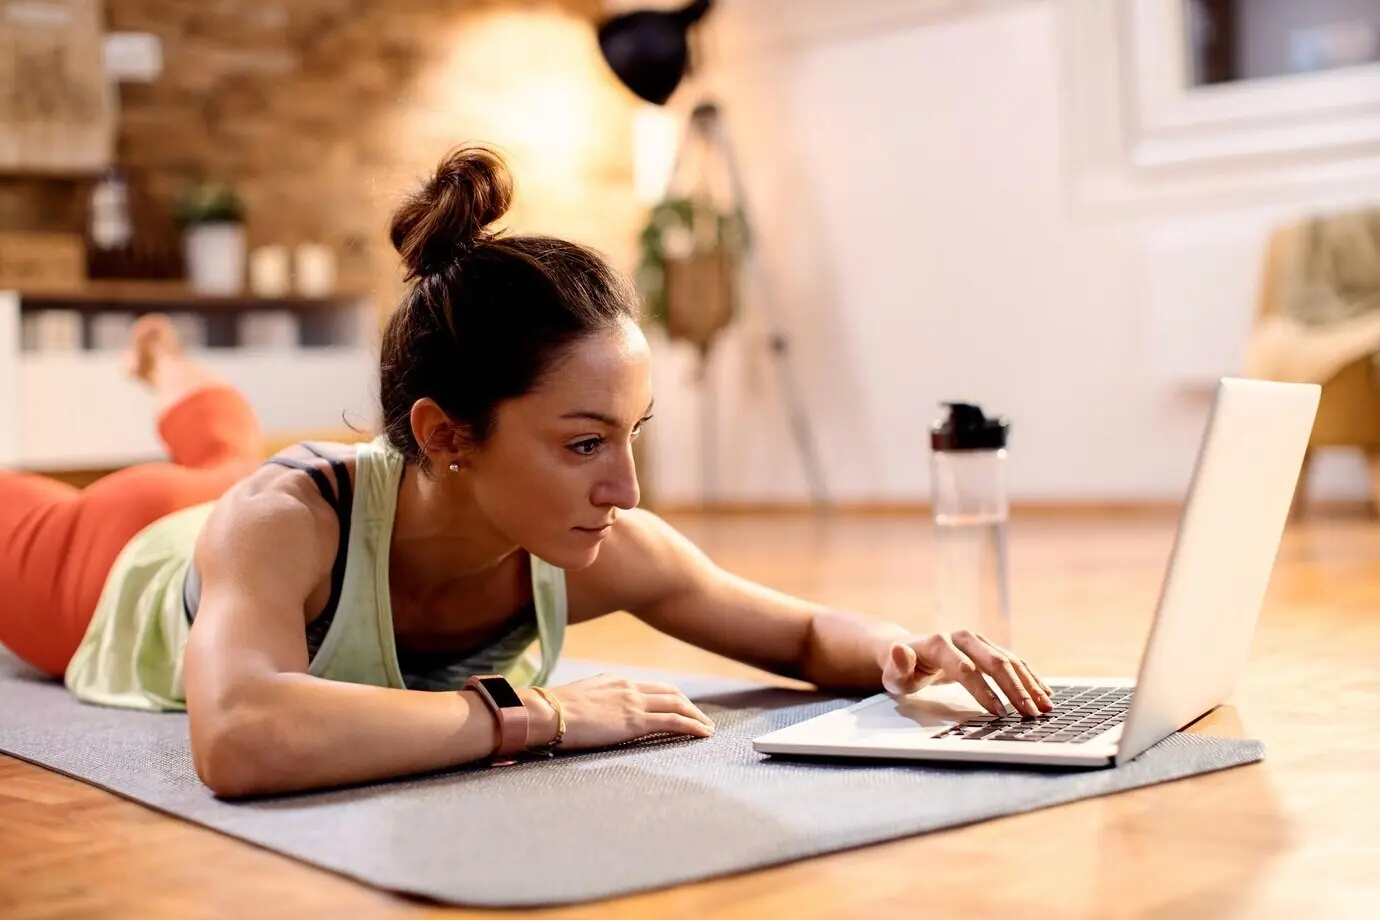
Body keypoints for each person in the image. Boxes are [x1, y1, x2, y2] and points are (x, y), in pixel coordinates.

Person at [0, 145, 1054, 799]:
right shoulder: (283, 520)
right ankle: (174, 378)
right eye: (585, 442)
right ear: (448, 434)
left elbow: (806, 635)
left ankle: (172, 370)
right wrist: (541, 712)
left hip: (239, 499)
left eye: (633, 432)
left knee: (223, 444)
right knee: (212, 473)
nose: (627, 488)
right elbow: (241, 734)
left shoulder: (597, 547)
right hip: (108, 559)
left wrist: (909, 650)